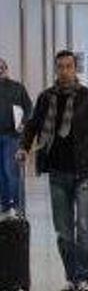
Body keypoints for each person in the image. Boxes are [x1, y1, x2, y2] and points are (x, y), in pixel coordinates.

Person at [17, 50, 88, 291]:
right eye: (60, 67)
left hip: (85, 171)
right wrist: (23, 147)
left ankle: (83, 277)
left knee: (83, 226)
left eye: (69, 66)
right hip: (57, 172)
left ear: (75, 69)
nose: (64, 71)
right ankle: (71, 278)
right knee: (63, 231)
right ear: (56, 69)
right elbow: (32, 126)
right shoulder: (45, 98)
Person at [0, 57, 32, 217]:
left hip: (12, 137)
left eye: (1, 68)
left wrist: (24, 123)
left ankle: (19, 206)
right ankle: (4, 206)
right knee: (1, 175)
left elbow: (29, 107)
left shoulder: (17, 88)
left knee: (12, 172)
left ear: (6, 69)